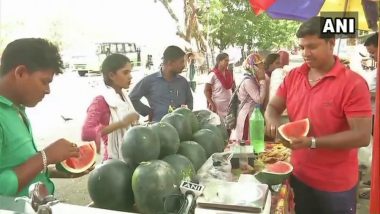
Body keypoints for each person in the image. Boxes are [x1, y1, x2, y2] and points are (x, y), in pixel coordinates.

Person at [265, 17, 372, 214]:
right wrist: (271, 120)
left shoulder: (354, 84)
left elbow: (362, 136)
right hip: (298, 176)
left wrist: (312, 142)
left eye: (312, 46)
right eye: (302, 47)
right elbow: (273, 107)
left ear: (331, 43)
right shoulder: (293, 76)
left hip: (336, 187)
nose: (305, 53)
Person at [0, 38, 90, 197]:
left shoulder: (16, 108)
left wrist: (54, 170)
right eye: (44, 81)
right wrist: (45, 156)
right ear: (20, 72)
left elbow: (13, 165)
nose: (48, 90)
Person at [81, 54, 139, 161]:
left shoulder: (124, 96)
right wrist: (121, 123)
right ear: (112, 75)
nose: (130, 76)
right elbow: (86, 133)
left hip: (131, 158)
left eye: (130, 72)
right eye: (125, 72)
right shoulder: (101, 101)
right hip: (113, 163)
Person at [129, 46, 193, 122]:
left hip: (181, 129)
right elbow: (132, 98)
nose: (184, 65)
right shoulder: (149, 80)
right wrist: (148, 111)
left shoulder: (183, 82)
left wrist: (186, 113)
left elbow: (189, 102)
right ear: (170, 63)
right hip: (158, 130)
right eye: (182, 62)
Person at [230, 53, 267, 141]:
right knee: (247, 141)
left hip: (253, 115)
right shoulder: (248, 81)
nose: (263, 68)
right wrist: (262, 81)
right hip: (247, 116)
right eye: (260, 66)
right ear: (253, 67)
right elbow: (259, 99)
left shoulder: (253, 79)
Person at [204, 53, 235, 121]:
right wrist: (212, 103)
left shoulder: (229, 74)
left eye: (228, 60)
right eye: (225, 60)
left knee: (229, 127)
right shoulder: (213, 74)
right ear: (219, 61)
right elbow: (206, 90)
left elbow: (233, 88)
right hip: (218, 107)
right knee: (220, 127)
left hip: (229, 105)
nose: (227, 62)